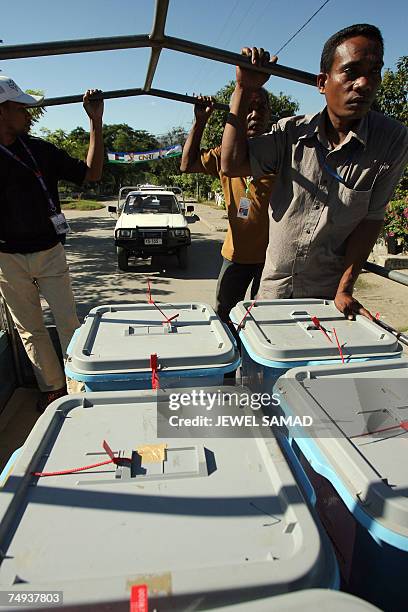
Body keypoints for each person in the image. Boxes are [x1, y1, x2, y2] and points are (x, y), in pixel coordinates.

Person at [221, 24, 408, 319]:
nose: (364, 83)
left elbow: (371, 218)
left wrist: (345, 288)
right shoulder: (290, 132)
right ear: (322, 82)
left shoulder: (391, 140)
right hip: (273, 289)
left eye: (374, 71)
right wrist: (244, 89)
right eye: (351, 71)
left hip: (326, 297)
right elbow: (231, 164)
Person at [0, 76, 104, 411]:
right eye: (20, 108)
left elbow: (92, 173)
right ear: (1, 112)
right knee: (30, 329)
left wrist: (95, 121)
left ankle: (78, 385)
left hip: (49, 252)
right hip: (6, 259)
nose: (29, 115)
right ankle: (53, 389)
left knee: (68, 323)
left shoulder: (39, 150)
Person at [180, 91, 275, 328]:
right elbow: (187, 164)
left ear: (269, 115)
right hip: (236, 256)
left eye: (261, 108)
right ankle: (231, 362)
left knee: (263, 319)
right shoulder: (226, 153)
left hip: (273, 259)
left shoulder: (281, 152)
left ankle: (254, 363)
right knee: (224, 315)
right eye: (247, 109)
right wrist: (200, 121)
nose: (254, 115)